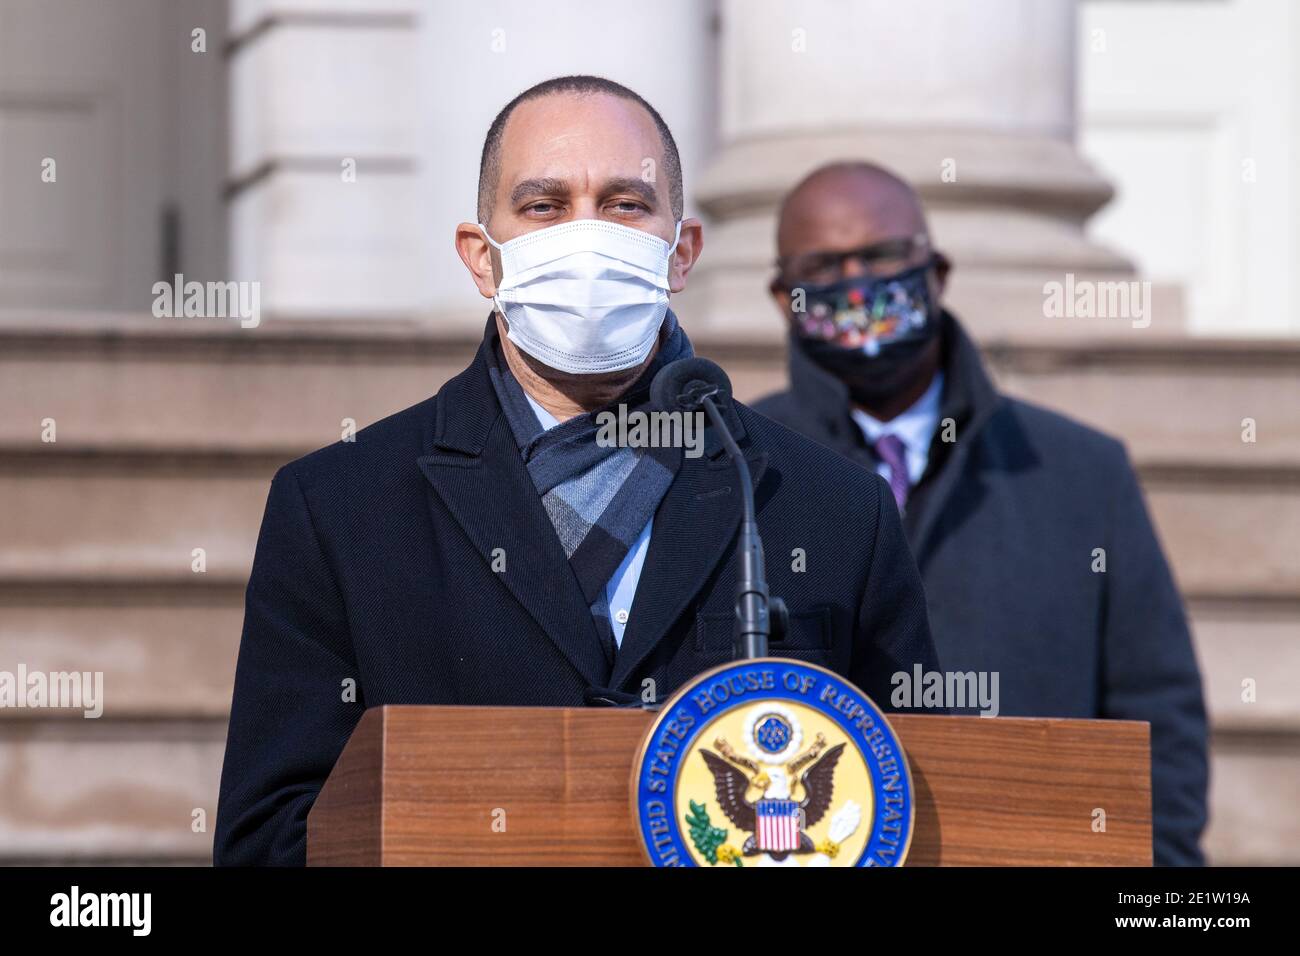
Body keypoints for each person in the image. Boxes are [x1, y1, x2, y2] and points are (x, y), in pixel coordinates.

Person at [213, 80, 939, 866]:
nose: (586, 234)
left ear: (682, 251)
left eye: (626, 204)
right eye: (544, 206)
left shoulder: (832, 507)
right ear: (481, 258)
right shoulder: (340, 510)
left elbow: (924, 798)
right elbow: (270, 837)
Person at [753, 161, 1208, 865]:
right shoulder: (740, 471)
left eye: (881, 256)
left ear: (936, 271)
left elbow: (1159, 706)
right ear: (785, 296)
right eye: (825, 265)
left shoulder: (1081, 471)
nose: (857, 281)